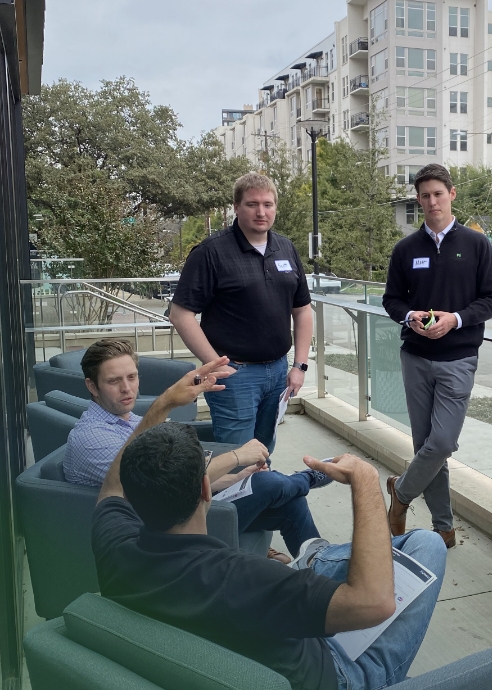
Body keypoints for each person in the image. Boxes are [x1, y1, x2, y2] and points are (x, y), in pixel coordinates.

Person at [92, 357, 447, 690]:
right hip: (333, 675)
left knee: (327, 561)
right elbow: (374, 603)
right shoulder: (245, 579)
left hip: (247, 653)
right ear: (205, 487)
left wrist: (165, 402)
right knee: (427, 545)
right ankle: (312, 559)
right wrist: (366, 481)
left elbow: (112, 485)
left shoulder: (116, 548)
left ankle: (312, 559)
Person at [64, 338, 330, 561]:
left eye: (132, 377)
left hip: (183, 504)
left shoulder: (131, 419)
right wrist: (236, 456)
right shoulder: (91, 437)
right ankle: (306, 477)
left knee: (288, 498)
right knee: (270, 483)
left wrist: (237, 477)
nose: (127, 388)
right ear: (92, 386)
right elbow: (164, 478)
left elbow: (183, 474)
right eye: (114, 381)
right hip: (161, 529)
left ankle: (321, 573)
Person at [382, 164, 492, 548]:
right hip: (415, 356)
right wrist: (409, 315)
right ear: (417, 200)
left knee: (443, 442)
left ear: (452, 193)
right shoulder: (405, 249)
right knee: (426, 447)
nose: (432, 201)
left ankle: (400, 495)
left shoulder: (476, 244)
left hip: (458, 358)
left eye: (438, 193)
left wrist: (456, 319)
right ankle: (443, 528)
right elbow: (391, 299)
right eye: (424, 196)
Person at [169, 172, 312, 452]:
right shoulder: (211, 253)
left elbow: (303, 310)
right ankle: (236, 497)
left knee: (264, 449)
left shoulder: (285, 248)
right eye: (252, 204)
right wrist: (217, 364)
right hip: (236, 376)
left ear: (275, 208)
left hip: (279, 371)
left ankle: (263, 494)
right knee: (236, 457)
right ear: (236, 207)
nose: (261, 212)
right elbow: (180, 314)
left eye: (268, 204)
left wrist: (300, 366)